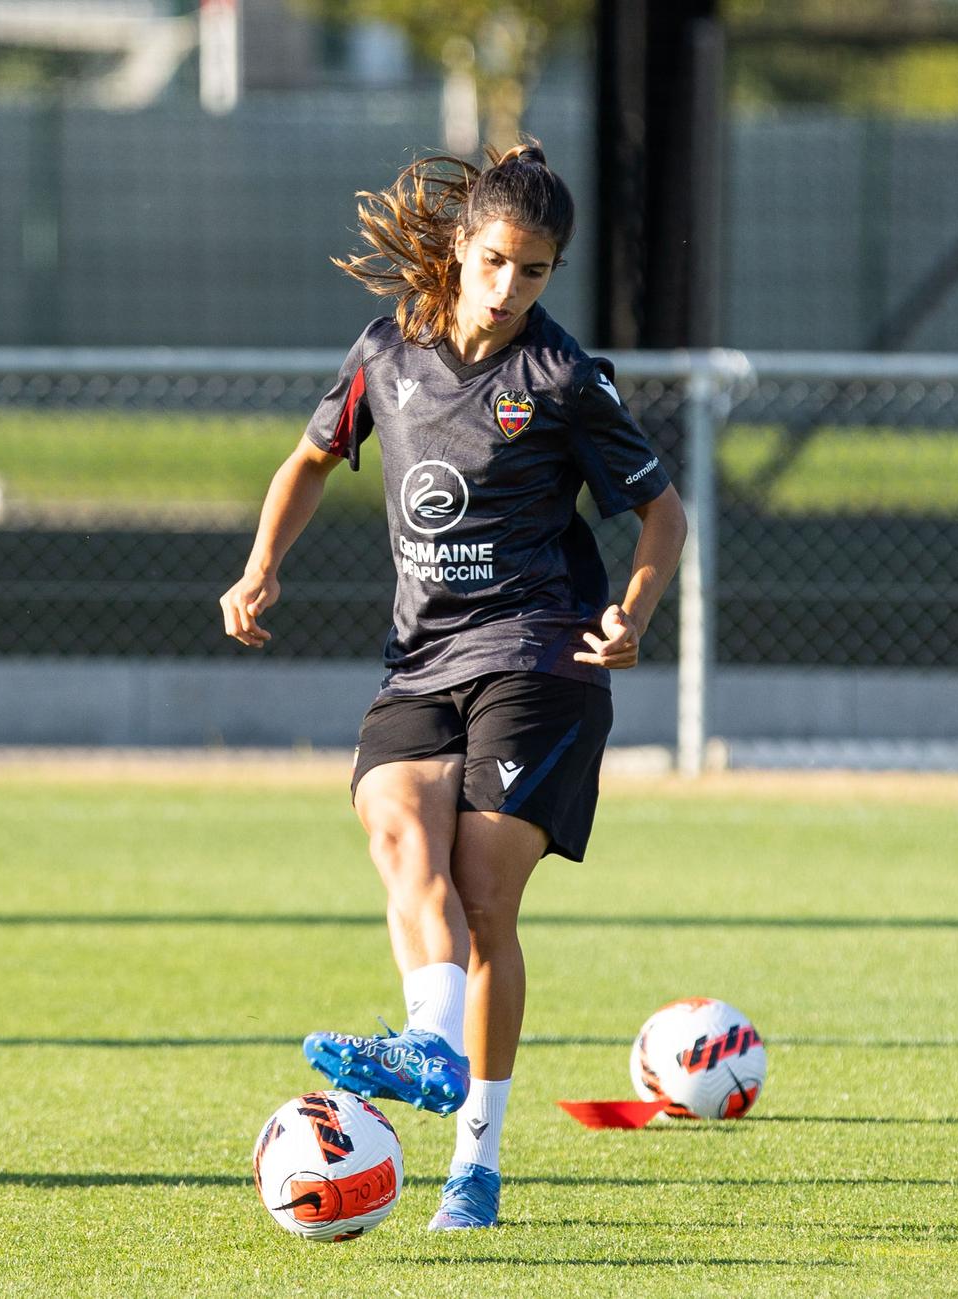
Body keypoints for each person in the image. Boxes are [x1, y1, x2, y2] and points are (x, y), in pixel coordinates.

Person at [218, 142, 688, 1232]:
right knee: (395, 829)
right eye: (494, 263)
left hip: (541, 660)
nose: (510, 289)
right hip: (420, 660)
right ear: (459, 249)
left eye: (534, 272)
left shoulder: (565, 379)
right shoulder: (387, 353)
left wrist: (634, 611)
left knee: (483, 897)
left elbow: (662, 510)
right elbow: (305, 460)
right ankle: (428, 1040)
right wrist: (261, 564)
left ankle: (472, 1163)